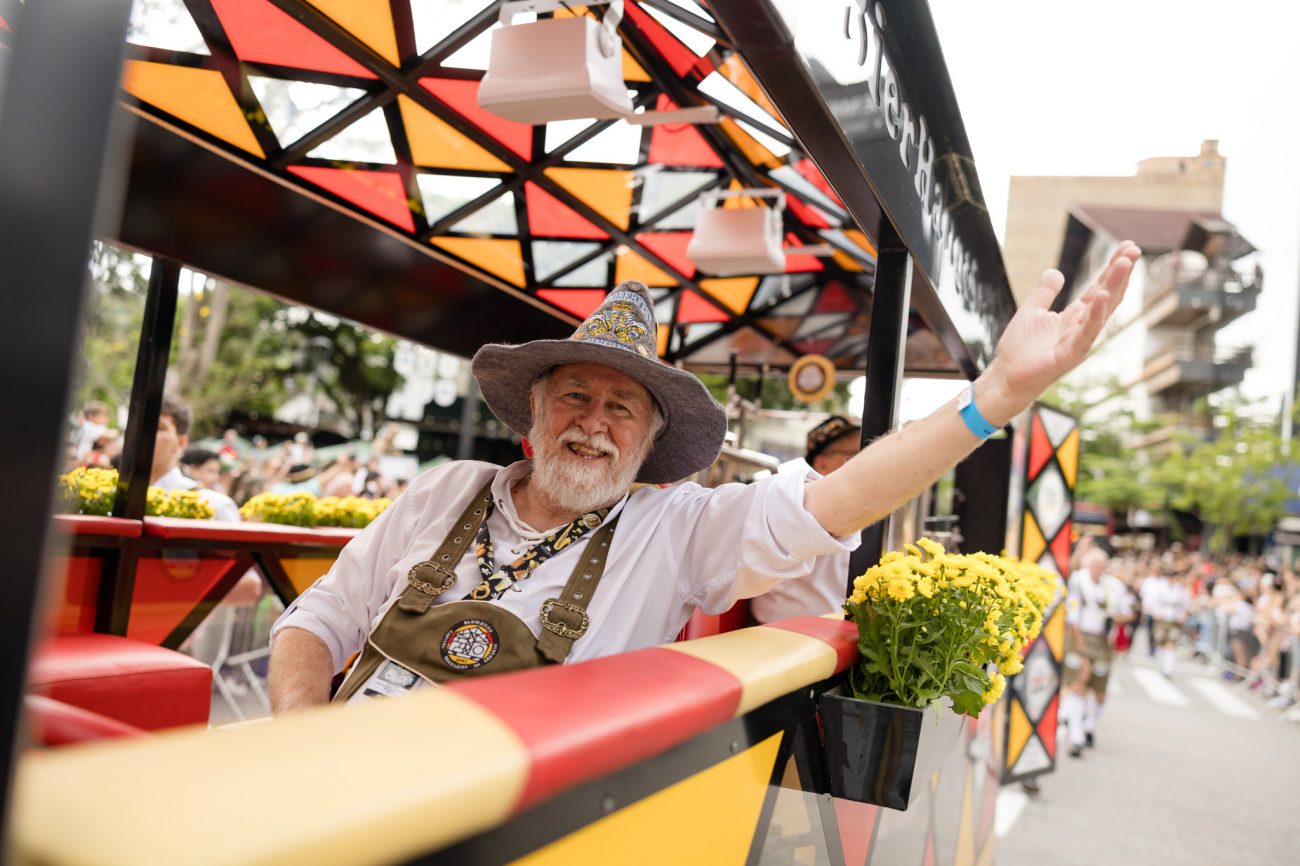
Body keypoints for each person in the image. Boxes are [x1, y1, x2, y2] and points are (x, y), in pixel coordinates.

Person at [268, 243, 1140, 712]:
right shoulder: (444, 488)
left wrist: (990, 400)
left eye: (622, 410)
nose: (593, 423)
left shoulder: (675, 530)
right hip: (347, 789)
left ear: (649, 444)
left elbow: (835, 500)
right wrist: (304, 733)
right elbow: (322, 618)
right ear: (531, 419)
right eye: (573, 395)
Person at [751, 416, 862, 623]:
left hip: (828, 631)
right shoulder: (798, 500)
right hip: (785, 632)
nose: (865, 463)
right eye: (855, 455)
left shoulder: (857, 506)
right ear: (822, 464)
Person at [1063, 548, 1132, 757]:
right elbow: (1072, 619)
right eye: (1093, 565)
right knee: (1077, 684)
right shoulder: (1078, 581)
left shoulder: (1114, 587)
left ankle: (1088, 725)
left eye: (1100, 566)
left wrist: (1116, 617)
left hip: (1103, 641)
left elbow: (1128, 612)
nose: (1097, 570)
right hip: (1080, 636)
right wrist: (1082, 651)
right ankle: (1076, 737)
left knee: (1099, 691)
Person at [150, 394, 241, 523]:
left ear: (181, 443)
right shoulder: (114, 496)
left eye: (158, 428)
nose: (145, 433)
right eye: (136, 424)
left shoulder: (215, 507)